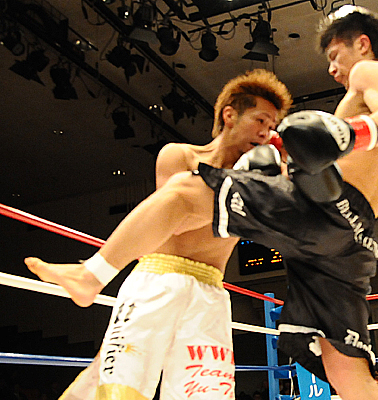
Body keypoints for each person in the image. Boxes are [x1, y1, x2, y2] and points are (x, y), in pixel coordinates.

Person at [26, 5, 378, 400]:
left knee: (184, 192)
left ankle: (91, 275)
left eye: (335, 55)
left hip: (326, 212)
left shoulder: (370, 71)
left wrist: (348, 133)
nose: (332, 69)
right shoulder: (186, 153)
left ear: (361, 44)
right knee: (344, 366)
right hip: (355, 238)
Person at [25, 69, 293, 400]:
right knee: (119, 393)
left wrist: (270, 181)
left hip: (211, 293)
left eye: (272, 126)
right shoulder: (181, 156)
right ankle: (90, 276)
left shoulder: (261, 178)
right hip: (157, 281)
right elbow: (175, 221)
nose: (266, 132)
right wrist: (239, 185)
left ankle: (91, 276)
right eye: (260, 120)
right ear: (229, 115)